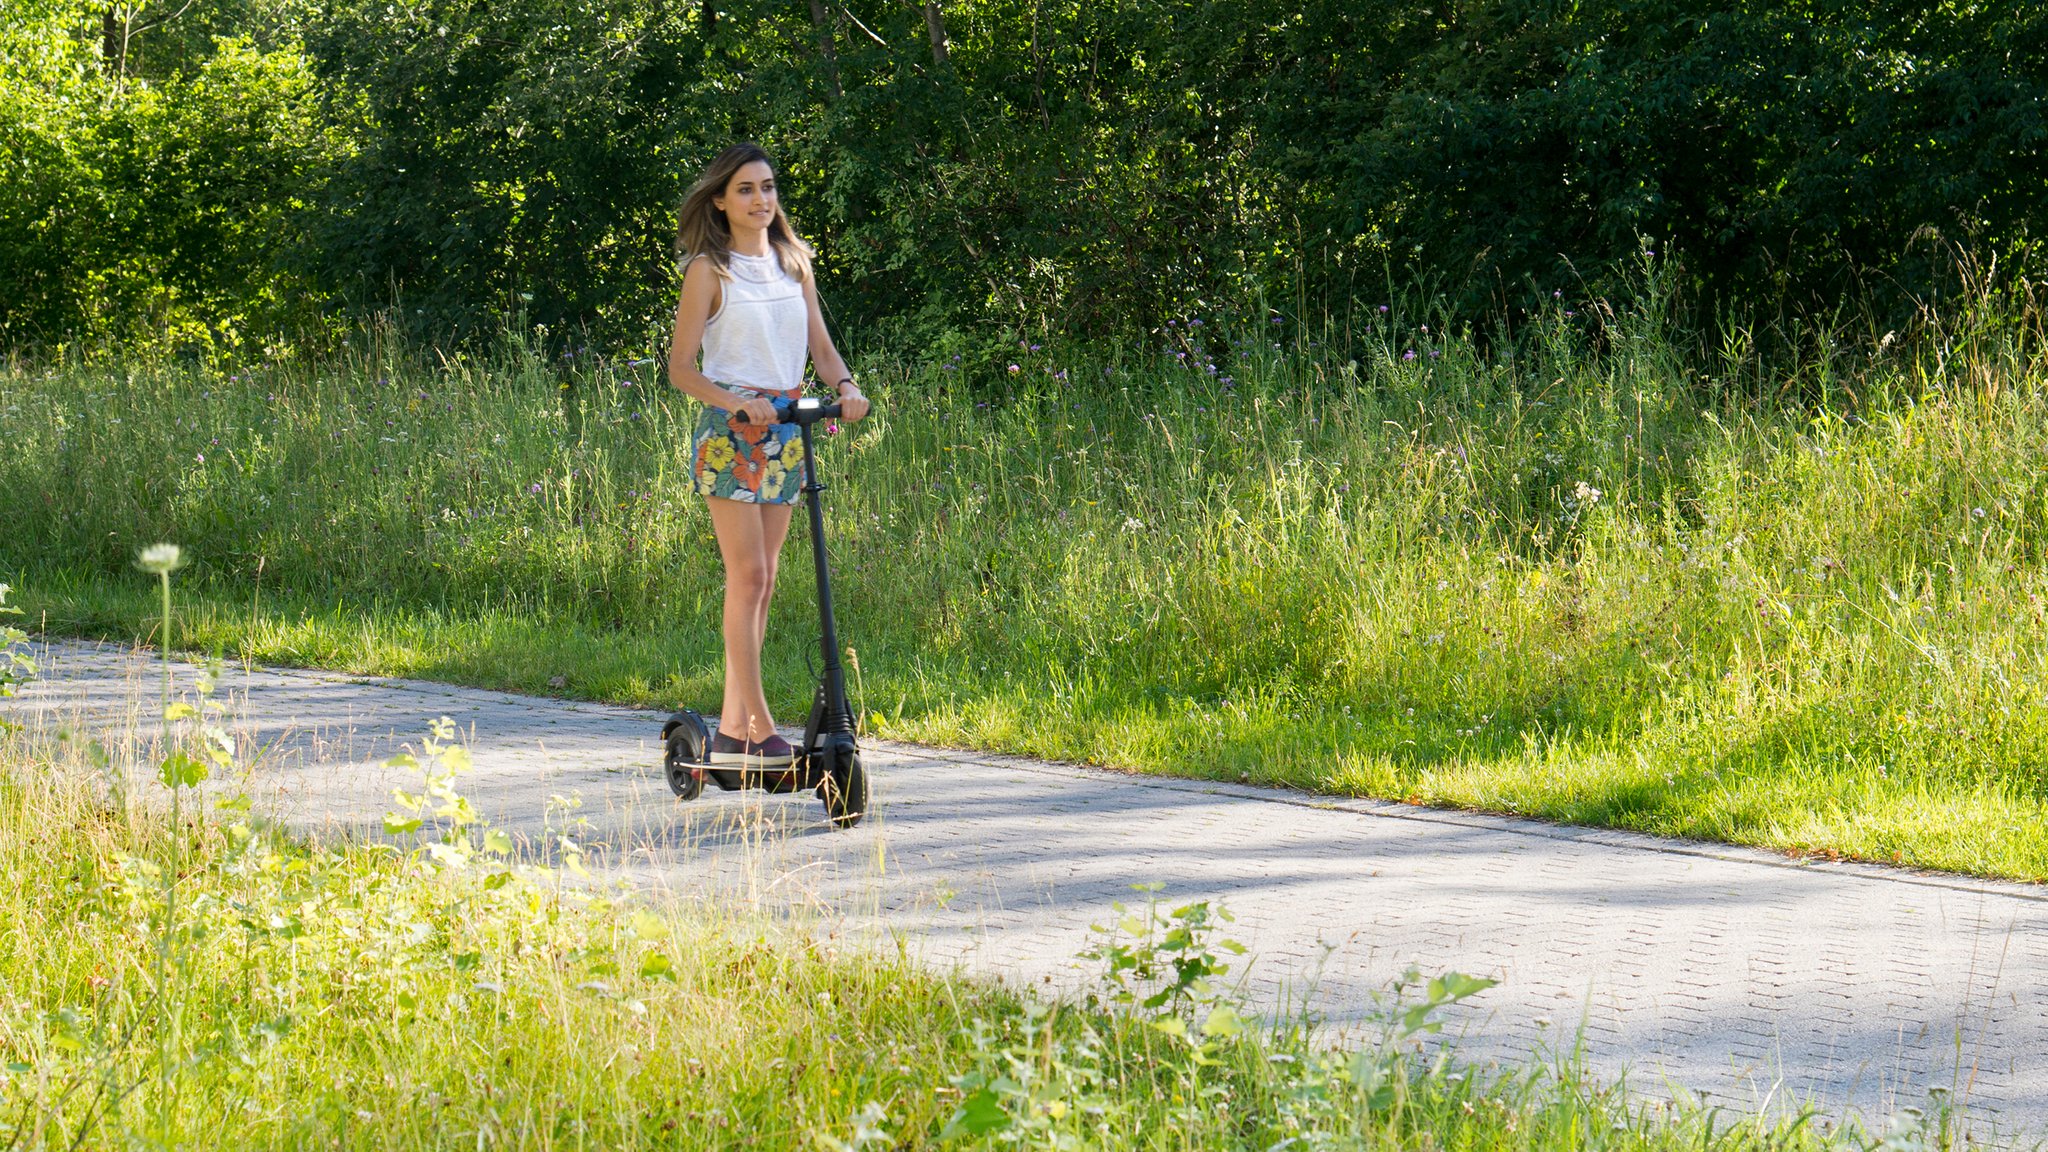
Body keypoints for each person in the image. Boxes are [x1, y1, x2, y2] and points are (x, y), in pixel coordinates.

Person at [667, 142, 869, 769]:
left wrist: (846, 388)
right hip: (732, 433)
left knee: (767, 579)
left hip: (786, 429)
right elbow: (681, 371)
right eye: (747, 189)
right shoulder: (709, 270)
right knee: (747, 576)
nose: (761, 200)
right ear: (721, 201)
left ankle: (731, 727)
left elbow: (822, 347)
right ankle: (755, 724)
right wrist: (737, 402)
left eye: (769, 187)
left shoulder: (793, 262)